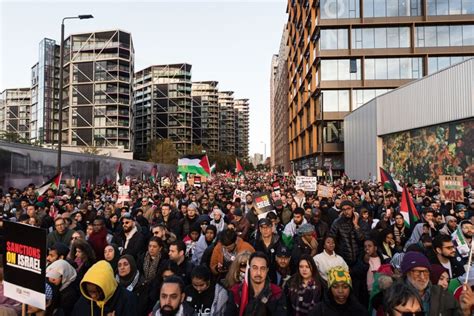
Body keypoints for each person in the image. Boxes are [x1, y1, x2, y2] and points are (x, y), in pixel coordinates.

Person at [401, 251, 460, 315]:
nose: (422, 277)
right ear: (407, 273)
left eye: (426, 272)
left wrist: (466, 310)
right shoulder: (394, 297)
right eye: (417, 272)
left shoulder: (442, 294)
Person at [229, 251, 287, 315]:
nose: (258, 273)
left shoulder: (277, 293)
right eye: (255, 268)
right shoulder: (236, 292)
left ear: (267, 270)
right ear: (249, 269)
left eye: (262, 268)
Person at [72, 260, 137, 316]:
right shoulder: (84, 301)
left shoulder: (127, 300)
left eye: (98, 291)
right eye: (90, 291)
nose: (93, 296)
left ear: (107, 285)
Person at [328, 200, 365, 267]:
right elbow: (332, 238)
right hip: (343, 258)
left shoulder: (360, 221)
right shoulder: (337, 223)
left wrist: (356, 225)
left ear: (353, 209)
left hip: (359, 258)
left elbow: (362, 239)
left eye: (348, 209)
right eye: (344, 209)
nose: (346, 211)